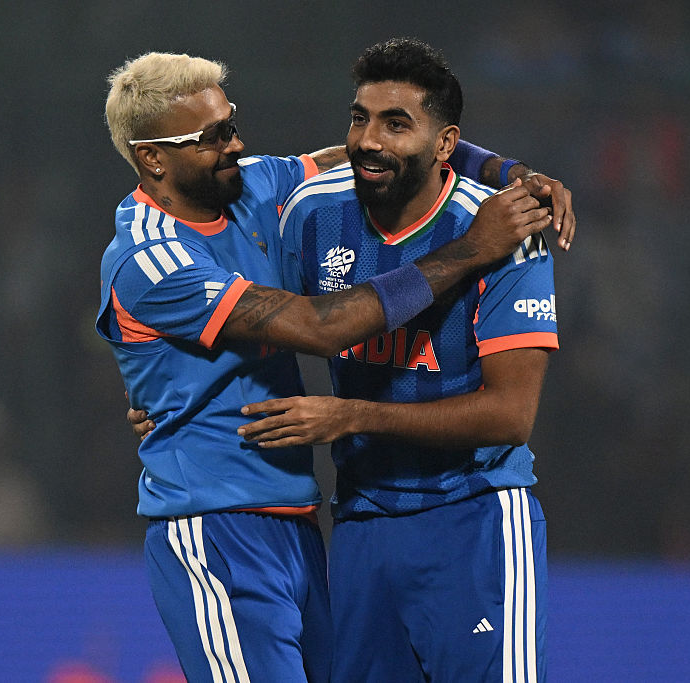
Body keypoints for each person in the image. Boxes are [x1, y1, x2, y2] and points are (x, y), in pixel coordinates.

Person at [99, 51, 572, 683]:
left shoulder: (256, 188)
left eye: (231, 122)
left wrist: (514, 170)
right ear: (153, 156)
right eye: (211, 137)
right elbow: (320, 329)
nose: (235, 143)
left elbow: (384, 150)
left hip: (314, 525)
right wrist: (471, 251)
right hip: (216, 527)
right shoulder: (150, 258)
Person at [235, 38, 558, 682]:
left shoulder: (505, 232)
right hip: (359, 526)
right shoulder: (310, 214)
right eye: (359, 118)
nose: (369, 140)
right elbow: (247, 316)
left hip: (475, 520)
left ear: (445, 144)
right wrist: (170, 401)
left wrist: (349, 415)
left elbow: (510, 416)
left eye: (396, 123)